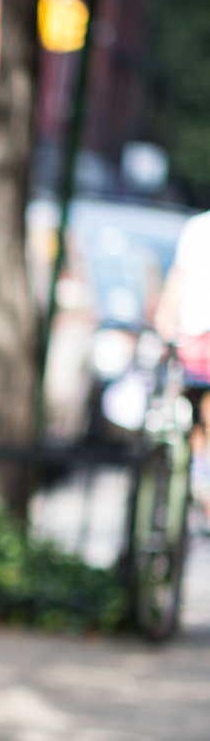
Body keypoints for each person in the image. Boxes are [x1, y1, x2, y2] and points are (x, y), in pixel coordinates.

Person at [155, 208, 210, 527]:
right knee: (188, 417)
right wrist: (165, 324)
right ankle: (197, 479)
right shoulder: (199, 227)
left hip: (192, 337)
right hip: (191, 338)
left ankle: (200, 479)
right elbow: (177, 281)